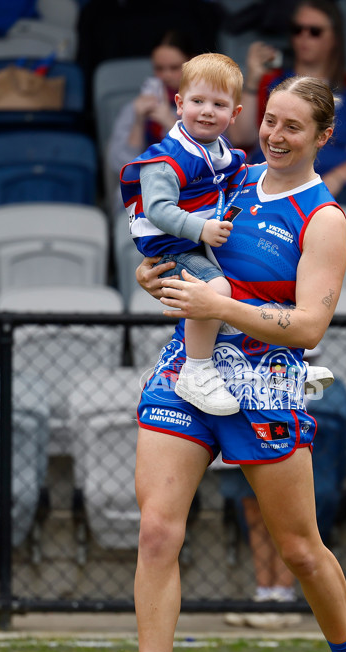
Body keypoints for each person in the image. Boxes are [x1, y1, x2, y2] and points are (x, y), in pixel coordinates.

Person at [91, 75, 346, 652]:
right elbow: (174, 242)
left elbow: (309, 328)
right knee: (158, 528)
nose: (276, 136)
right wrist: (154, 272)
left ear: (322, 136)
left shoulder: (325, 217)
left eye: (293, 127)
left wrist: (221, 304)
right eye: (270, 121)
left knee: (300, 548)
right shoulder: (230, 176)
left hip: (267, 381)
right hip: (189, 367)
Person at [120, 52, 246, 416]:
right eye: (198, 101)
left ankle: (275, 367)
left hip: (196, 243)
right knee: (217, 291)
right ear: (178, 104)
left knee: (249, 274)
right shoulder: (167, 158)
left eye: (219, 104)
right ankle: (196, 371)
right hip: (172, 249)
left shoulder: (220, 151)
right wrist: (202, 228)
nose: (207, 111)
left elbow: (243, 175)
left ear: (234, 114)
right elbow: (158, 210)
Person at [227, 0, 346, 280]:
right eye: (297, 30)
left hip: (336, 189)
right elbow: (241, 137)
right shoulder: (271, 82)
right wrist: (253, 78)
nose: (303, 38)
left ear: (334, 37)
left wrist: (336, 178)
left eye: (314, 31)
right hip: (272, 181)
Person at [106, 30, 195, 216]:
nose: (166, 76)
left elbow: (208, 163)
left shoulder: (208, 106)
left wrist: (170, 123)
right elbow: (121, 165)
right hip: (142, 193)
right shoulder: (136, 107)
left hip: (191, 195)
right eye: (159, 68)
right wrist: (139, 121)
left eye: (174, 67)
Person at [221, 467, 302, 630]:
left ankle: (283, 597)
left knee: (283, 506)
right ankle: (264, 594)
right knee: (252, 507)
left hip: (281, 444)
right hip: (249, 443)